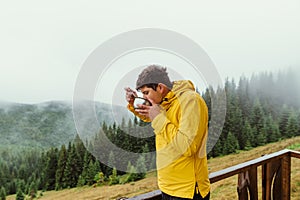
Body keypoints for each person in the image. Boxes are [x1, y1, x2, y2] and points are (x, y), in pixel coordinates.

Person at [124, 65, 210, 200]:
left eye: (146, 93)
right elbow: (155, 118)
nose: (145, 97)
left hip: (187, 191)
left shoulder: (191, 101)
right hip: (167, 187)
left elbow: (187, 147)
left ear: (160, 87)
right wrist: (134, 103)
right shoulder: (164, 101)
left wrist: (158, 117)